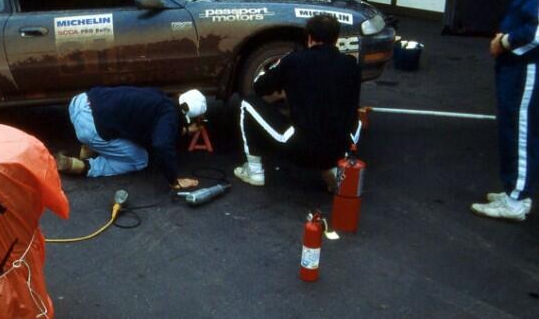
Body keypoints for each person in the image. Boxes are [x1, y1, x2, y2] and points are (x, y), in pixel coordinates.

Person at [234, 14, 361, 189]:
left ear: (309, 37)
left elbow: (259, 86)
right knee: (353, 115)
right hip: (341, 149)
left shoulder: (293, 61)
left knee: (248, 104)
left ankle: (254, 170)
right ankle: (334, 168)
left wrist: (285, 79)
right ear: (336, 39)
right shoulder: (351, 65)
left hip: (301, 150)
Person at [470, 0, 539, 221]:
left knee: (521, 131)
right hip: (515, 68)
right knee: (512, 128)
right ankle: (515, 190)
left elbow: (536, 33)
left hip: (526, 68)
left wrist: (504, 42)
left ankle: (516, 200)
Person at [56, 87, 207, 190]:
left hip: (81, 101)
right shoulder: (169, 118)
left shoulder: (159, 97)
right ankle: (84, 166)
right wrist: (174, 180)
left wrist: (181, 129)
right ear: (189, 118)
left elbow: (155, 127)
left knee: (125, 123)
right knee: (140, 159)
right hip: (90, 126)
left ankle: (92, 144)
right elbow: (161, 144)